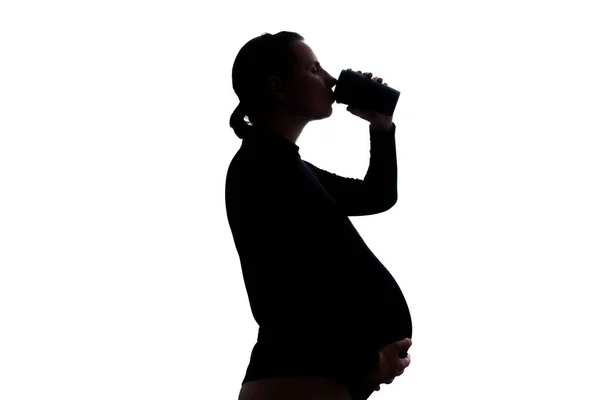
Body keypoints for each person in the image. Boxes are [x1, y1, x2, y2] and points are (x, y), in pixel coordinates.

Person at [225, 31, 413, 400]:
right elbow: (282, 290)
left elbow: (378, 196)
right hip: (300, 378)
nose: (331, 80)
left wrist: (381, 125)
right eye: (314, 69)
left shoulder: (286, 167)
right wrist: (363, 358)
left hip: (313, 378)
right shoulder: (260, 168)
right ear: (279, 87)